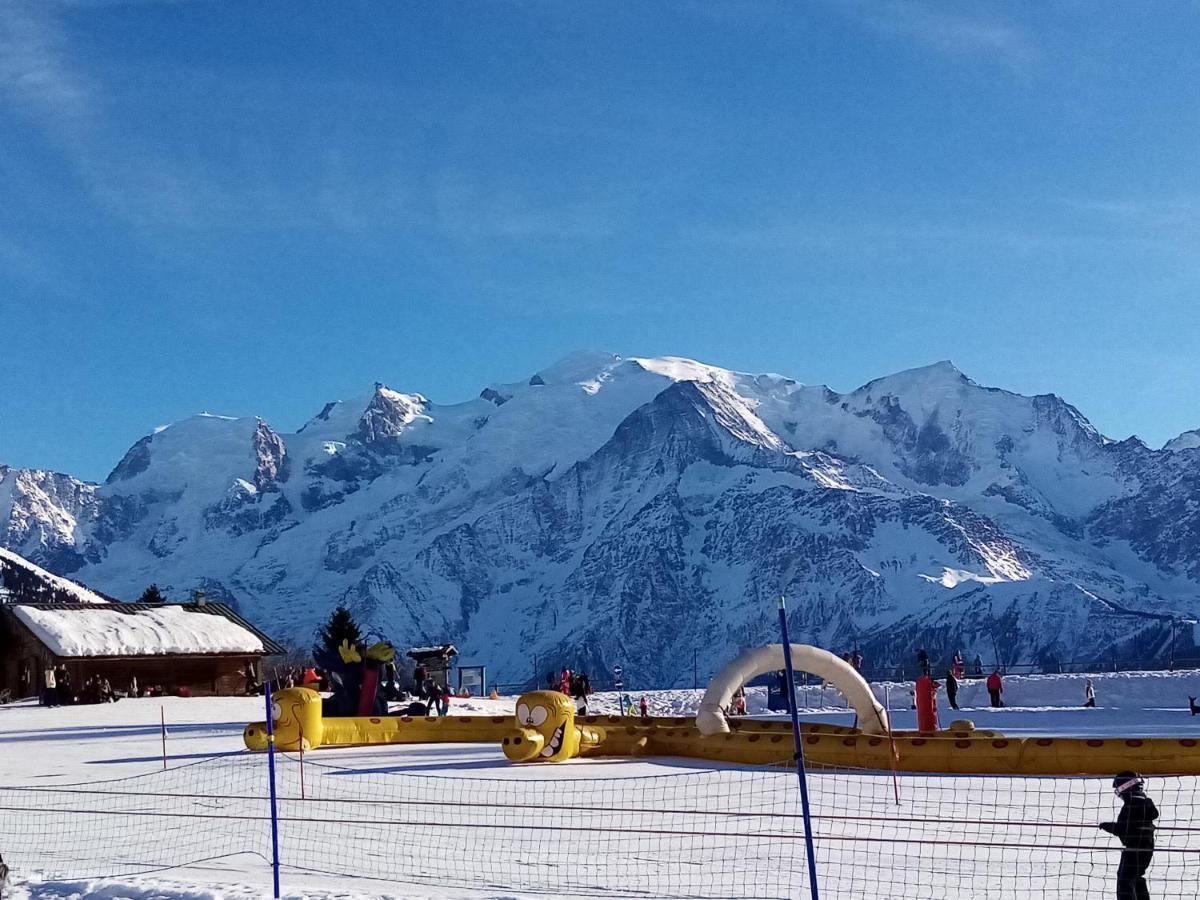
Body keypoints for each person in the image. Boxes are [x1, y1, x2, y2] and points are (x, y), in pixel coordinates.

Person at [1100, 772, 1157, 900]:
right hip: (1147, 847)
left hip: (1133, 849)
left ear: (1126, 789)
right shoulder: (1145, 803)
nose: (1119, 795)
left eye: (1119, 790)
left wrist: (1107, 826)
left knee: (1125, 880)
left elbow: (1123, 829)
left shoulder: (1131, 806)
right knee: (1136, 877)